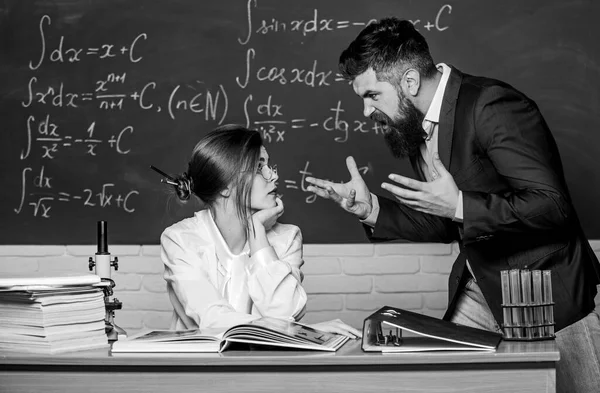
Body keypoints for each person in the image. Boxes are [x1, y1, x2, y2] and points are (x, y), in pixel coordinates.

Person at [306, 18, 600, 392]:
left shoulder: (491, 105)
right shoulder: (417, 128)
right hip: (482, 290)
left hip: (549, 296)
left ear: (409, 82)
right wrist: (373, 211)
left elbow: (552, 206)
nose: (366, 112)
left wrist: (461, 204)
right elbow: (445, 222)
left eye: (372, 95)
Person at [157, 124, 360, 338]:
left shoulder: (287, 237)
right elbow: (212, 320)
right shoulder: (181, 240)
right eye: (258, 168)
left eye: (269, 165)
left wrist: (258, 235)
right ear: (225, 186)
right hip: (198, 368)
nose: (273, 176)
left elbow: (286, 313)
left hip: (265, 365)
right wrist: (302, 332)